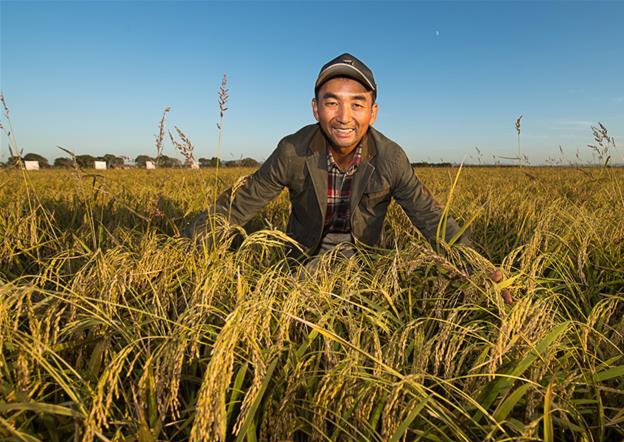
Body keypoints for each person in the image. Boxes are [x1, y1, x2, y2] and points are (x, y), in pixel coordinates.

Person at [185, 53, 512, 301]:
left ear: (373, 112)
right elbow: (235, 207)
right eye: (332, 103)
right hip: (304, 260)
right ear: (316, 109)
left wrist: (479, 268)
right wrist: (183, 252)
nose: (344, 117)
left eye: (357, 104)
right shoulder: (292, 152)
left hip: (365, 263)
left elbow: (432, 219)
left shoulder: (391, 158)